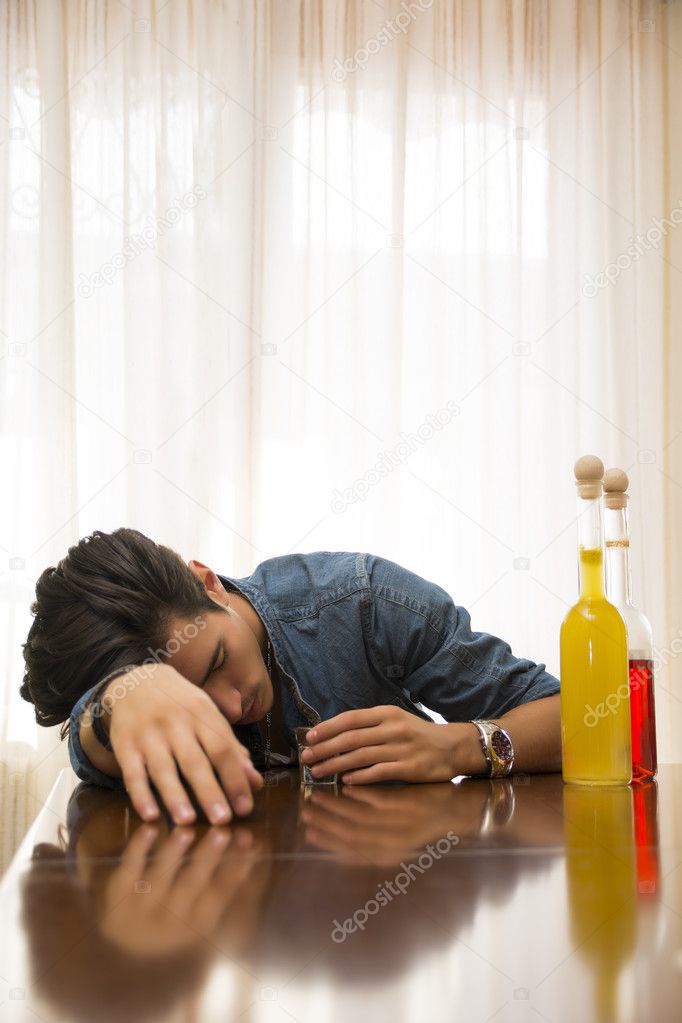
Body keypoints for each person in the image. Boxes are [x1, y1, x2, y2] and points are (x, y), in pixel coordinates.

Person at [20, 528, 561, 828]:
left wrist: (463, 747)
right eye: (190, 699)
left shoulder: (362, 601)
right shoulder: (123, 721)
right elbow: (90, 747)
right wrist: (120, 700)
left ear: (206, 583)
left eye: (215, 662)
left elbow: (577, 714)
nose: (231, 709)